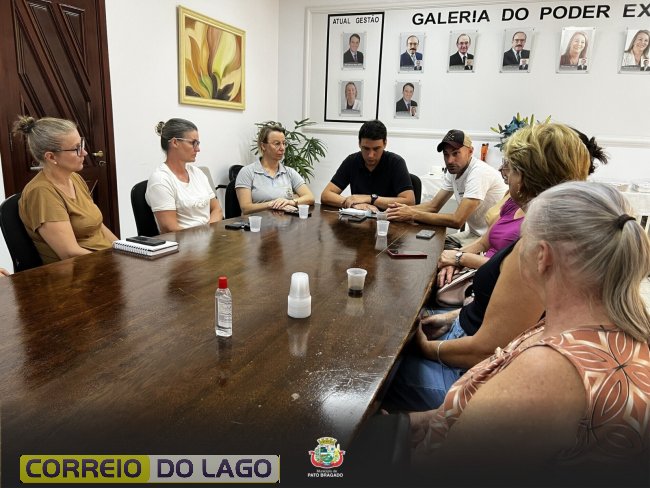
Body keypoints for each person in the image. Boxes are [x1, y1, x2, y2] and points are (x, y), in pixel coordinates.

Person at [408, 181, 650, 484]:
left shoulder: (548, 372)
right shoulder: (607, 329)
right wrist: (405, 425)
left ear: (542, 256)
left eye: (523, 240)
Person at [383, 124, 607, 411]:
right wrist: (453, 317)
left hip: (469, 378)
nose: (504, 174)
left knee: (379, 371)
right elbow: (505, 318)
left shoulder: (536, 252)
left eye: (509, 169)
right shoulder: (561, 234)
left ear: (523, 179)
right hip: (467, 340)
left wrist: (427, 348)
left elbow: (485, 350)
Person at [14, 116, 117, 264]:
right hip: (81, 271)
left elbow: (98, 225)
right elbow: (69, 253)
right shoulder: (41, 192)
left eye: (81, 144)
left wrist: (124, 250)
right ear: (51, 157)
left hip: (104, 262)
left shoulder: (74, 178)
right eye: (76, 148)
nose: (84, 153)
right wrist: (114, 262)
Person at [386, 129, 507, 249]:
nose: (450, 161)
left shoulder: (479, 173)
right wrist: (398, 211)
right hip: (474, 234)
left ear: (470, 151)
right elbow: (433, 206)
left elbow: (457, 220)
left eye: (456, 153)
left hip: (490, 240)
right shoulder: (453, 171)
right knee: (425, 245)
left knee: (435, 253)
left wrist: (412, 214)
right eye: (446, 154)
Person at [146, 118, 223, 233]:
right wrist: (204, 236)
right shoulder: (160, 180)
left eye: (198, 143)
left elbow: (217, 209)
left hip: (208, 237)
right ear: (175, 142)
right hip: (183, 242)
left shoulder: (198, 173)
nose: (198, 149)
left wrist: (209, 234)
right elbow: (170, 228)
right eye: (193, 143)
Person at [320, 120, 415, 211]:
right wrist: (354, 203)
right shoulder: (352, 161)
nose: (370, 155)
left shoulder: (396, 162)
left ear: (385, 143)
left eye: (376, 149)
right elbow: (326, 195)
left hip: (387, 219)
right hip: (358, 219)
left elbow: (410, 202)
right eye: (366, 148)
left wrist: (370, 199)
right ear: (359, 144)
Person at [235, 124, 315, 215]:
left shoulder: (289, 172)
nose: (282, 148)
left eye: (284, 143)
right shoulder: (247, 172)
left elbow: (310, 197)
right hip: (259, 222)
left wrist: (291, 202)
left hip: (285, 221)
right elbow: (246, 208)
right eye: (277, 144)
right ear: (263, 146)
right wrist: (272, 204)